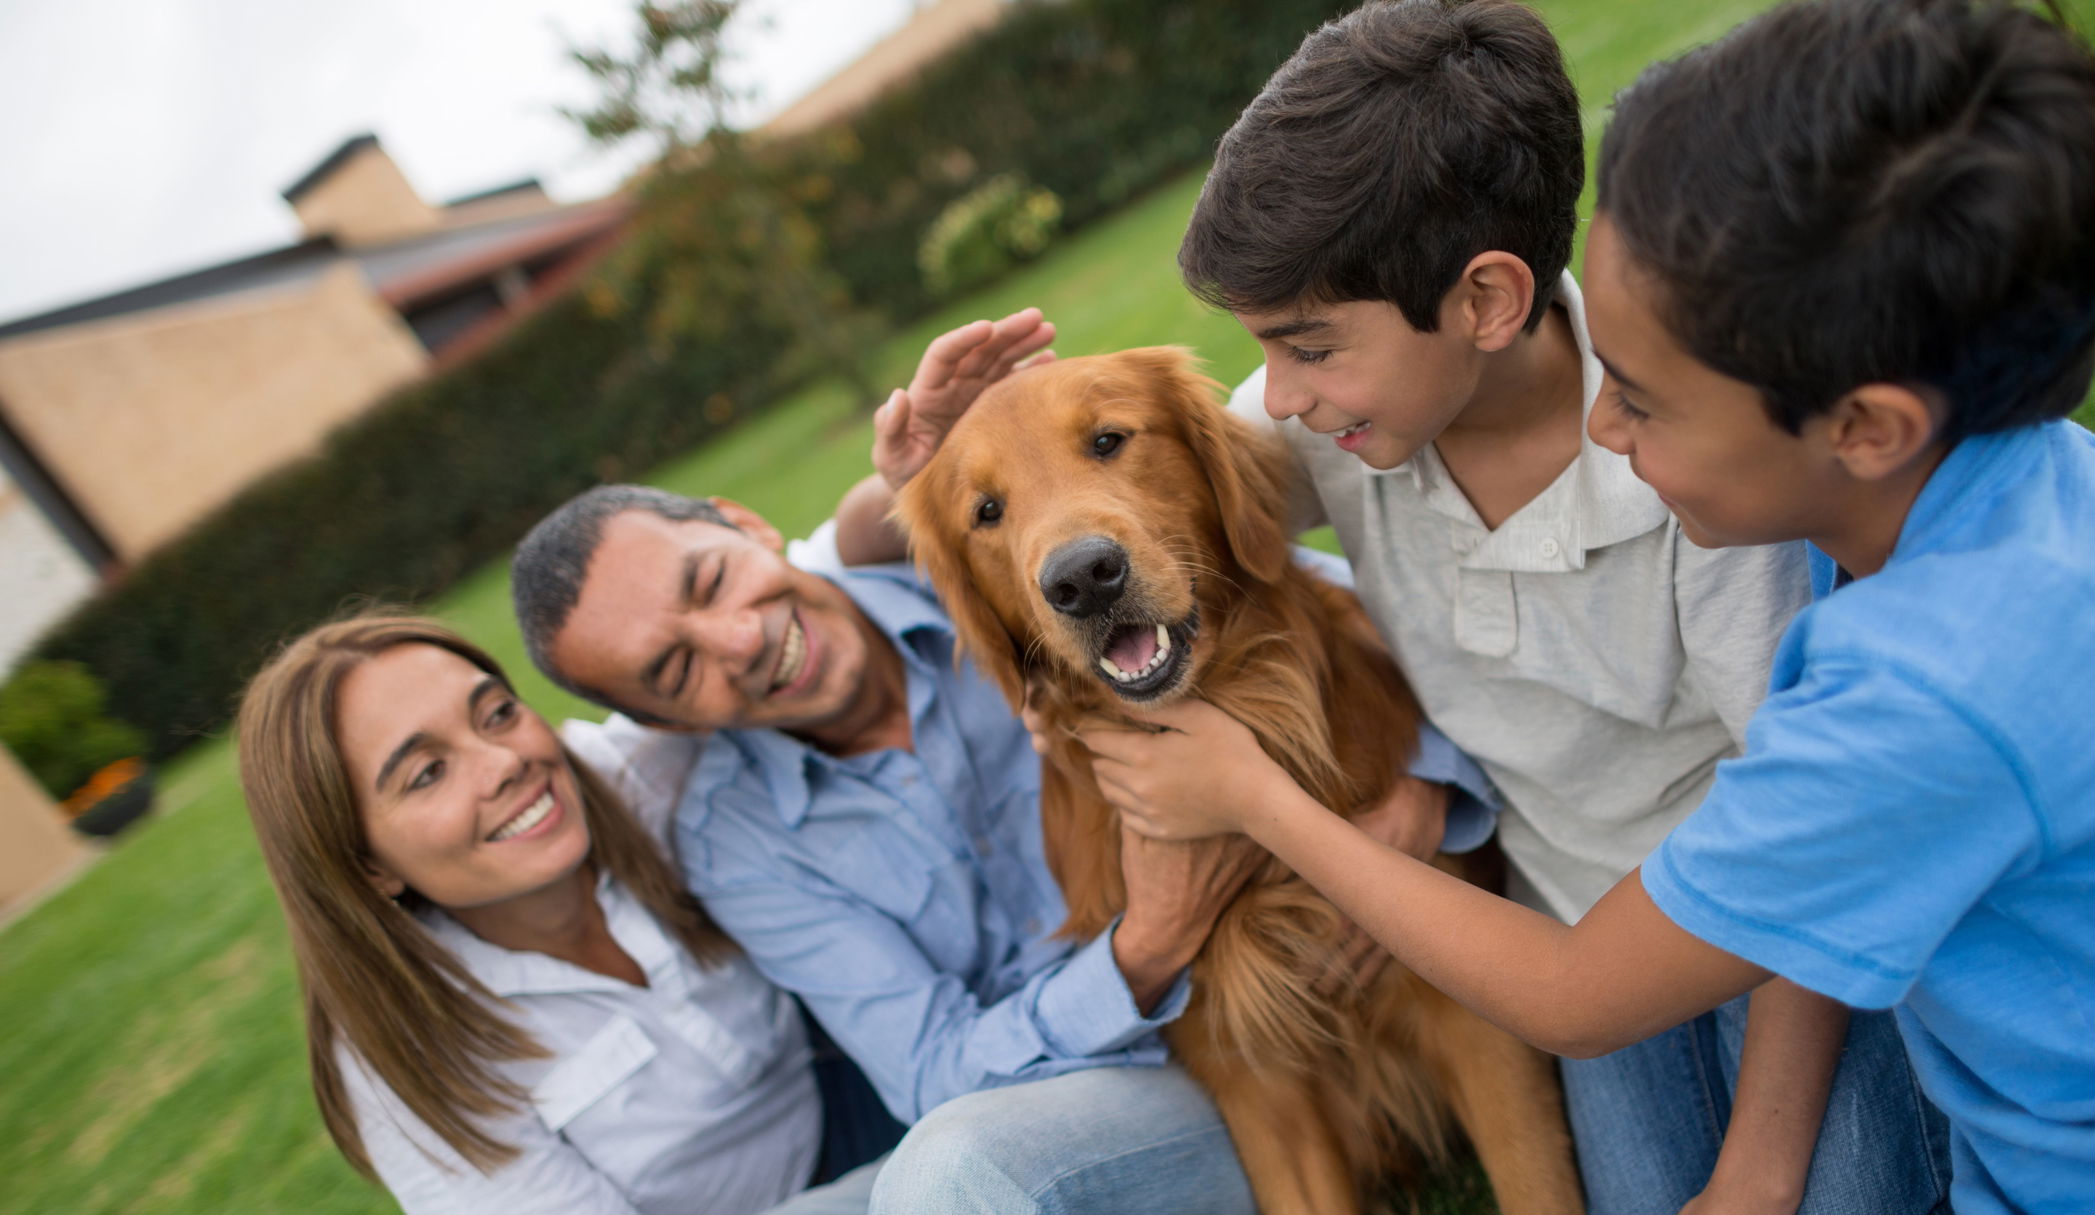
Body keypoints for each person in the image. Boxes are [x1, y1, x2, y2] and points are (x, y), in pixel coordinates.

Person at [1091, 1, 2095, 1212]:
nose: (1605, 429)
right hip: (1647, 905)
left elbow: (1579, 992)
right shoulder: (2008, 517)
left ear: (1866, 428)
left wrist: (1253, 798)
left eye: (1642, 399)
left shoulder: (1911, 693)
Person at [506, 316, 1497, 1213]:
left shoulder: (1007, 557)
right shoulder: (740, 842)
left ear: (748, 525)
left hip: (1294, 1007)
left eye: (712, 578)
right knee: (931, 1178)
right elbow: (933, 1079)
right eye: (674, 670)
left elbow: (1283, 598)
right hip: (1107, 1089)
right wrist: (1151, 940)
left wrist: (1426, 787)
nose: (737, 641)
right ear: (654, 724)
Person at [236, 613, 899, 1214]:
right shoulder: (406, 1054)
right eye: (428, 772)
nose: (504, 762)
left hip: (859, 1081)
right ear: (368, 866)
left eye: (495, 713)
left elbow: (814, 594)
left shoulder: (634, 780)